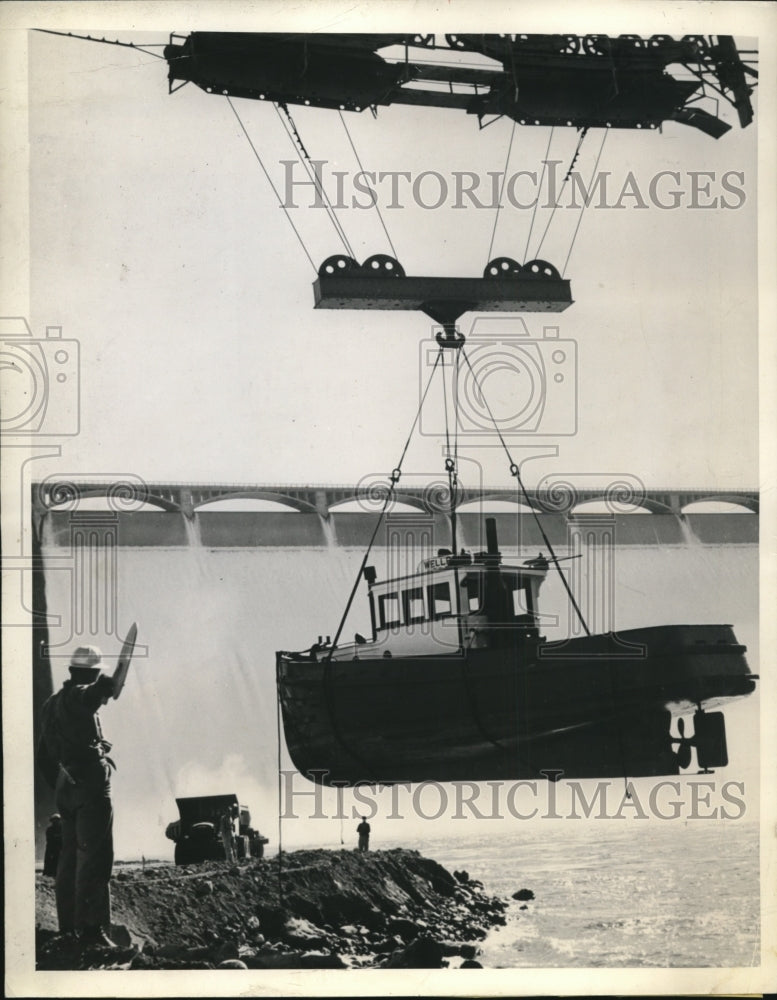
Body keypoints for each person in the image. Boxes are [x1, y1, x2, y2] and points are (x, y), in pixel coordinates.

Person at [36, 646, 116, 947]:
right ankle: (92, 930)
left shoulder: (51, 704)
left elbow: (43, 755)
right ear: (90, 673)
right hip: (90, 785)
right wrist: (105, 686)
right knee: (95, 855)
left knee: (68, 858)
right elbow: (88, 695)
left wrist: (64, 781)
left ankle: (69, 929)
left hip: (65, 783)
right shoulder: (80, 694)